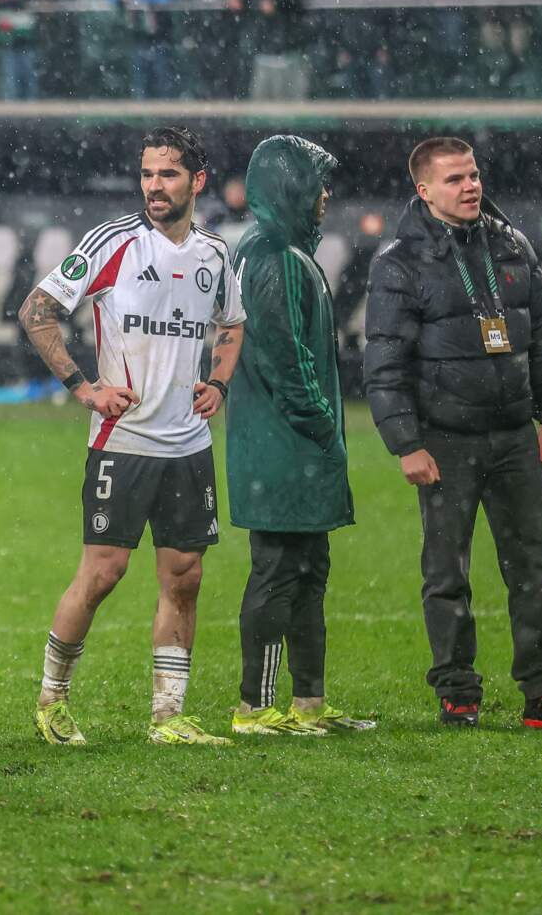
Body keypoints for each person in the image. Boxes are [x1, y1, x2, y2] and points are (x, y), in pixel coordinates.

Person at [363, 137, 542, 730]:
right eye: (454, 180)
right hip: (445, 440)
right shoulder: (399, 262)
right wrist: (406, 443)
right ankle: (457, 691)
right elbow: (384, 361)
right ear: (424, 190)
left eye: (473, 176)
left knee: (533, 567)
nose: (470, 186)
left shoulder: (512, 244)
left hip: (513, 438)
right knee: (447, 573)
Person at [20, 126, 245, 747]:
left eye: (167, 174)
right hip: (123, 443)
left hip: (188, 446)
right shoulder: (114, 242)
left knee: (186, 576)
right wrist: (83, 387)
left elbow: (232, 324)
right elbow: (36, 310)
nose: (154, 186)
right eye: (147, 174)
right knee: (102, 574)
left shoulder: (216, 255)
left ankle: (168, 717)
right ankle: (52, 703)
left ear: (196, 182)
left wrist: (218, 385)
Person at [225, 136, 374, 737]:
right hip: (282, 446)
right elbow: (287, 359)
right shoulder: (274, 256)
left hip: (285, 445)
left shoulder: (270, 250)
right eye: (316, 184)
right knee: (279, 572)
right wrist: (322, 429)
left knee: (309, 569)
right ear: (293, 189)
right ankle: (254, 709)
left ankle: (308, 704)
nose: (325, 197)